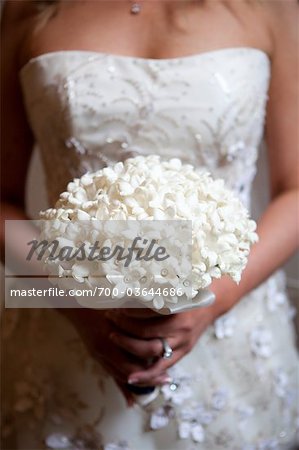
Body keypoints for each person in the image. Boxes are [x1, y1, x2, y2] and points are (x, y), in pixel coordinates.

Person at [1, 1, 298, 449]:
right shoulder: (27, 8)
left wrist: (213, 301)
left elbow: (296, 188)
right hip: (65, 326)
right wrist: (77, 303)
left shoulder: (273, 7)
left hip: (231, 322)